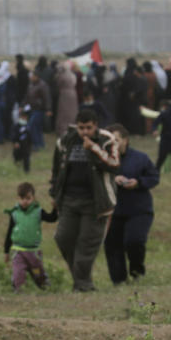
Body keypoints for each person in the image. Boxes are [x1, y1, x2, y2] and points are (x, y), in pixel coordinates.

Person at [49, 108, 120, 292]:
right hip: (69, 199)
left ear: (95, 126)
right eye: (81, 128)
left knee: (86, 244)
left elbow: (114, 164)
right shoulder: (66, 140)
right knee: (63, 238)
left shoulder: (106, 140)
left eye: (88, 128)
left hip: (96, 201)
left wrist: (94, 149)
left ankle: (83, 285)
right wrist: (54, 194)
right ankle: (81, 280)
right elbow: (57, 169)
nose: (85, 132)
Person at [104, 123, 160, 286]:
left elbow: (154, 177)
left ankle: (137, 273)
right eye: (110, 140)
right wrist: (112, 180)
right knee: (112, 246)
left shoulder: (140, 158)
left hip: (139, 210)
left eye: (117, 139)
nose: (113, 143)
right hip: (113, 210)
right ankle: (119, 280)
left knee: (134, 241)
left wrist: (138, 182)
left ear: (126, 140)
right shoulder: (103, 159)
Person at [3, 182, 58, 292]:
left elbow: (52, 218)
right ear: (18, 198)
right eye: (22, 198)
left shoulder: (38, 212)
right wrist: (6, 251)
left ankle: (45, 288)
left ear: (33, 198)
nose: (25, 201)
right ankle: (18, 290)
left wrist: (55, 208)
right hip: (18, 251)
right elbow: (9, 233)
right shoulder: (14, 213)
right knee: (18, 272)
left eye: (28, 198)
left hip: (34, 252)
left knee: (39, 274)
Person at [25, 70, 52, 150]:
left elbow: (47, 98)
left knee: (32, 126)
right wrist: (23, 105)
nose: (31, 77)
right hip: (32, 108)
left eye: (32, 76)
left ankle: (36, 144)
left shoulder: (43, 85)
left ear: (36, 76)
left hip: (39, 109)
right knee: (37, 127)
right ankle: (40, 144)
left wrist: (48, 109)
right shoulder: (31, 85)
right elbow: (27, 96)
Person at [54, 62, 79, 138]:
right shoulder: (73, 75)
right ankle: (73, 128)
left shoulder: (62, 75)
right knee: (72, 112)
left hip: (64, 94)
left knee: (63, 112)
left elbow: (58, 84)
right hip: (73, 94)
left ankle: (63, 130)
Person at [11, 105, 33, 173]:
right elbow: (14, 135)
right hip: (19, 144)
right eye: (22, 117)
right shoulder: (17, 126)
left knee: (26, 157)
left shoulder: (28, 126)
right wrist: (15, 142)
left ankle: (27, 170)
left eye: (25, 117)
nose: (24, 119)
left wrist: (30, 143)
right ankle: (17, 165)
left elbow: (30, 136)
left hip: (26, 145)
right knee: (17, 155)